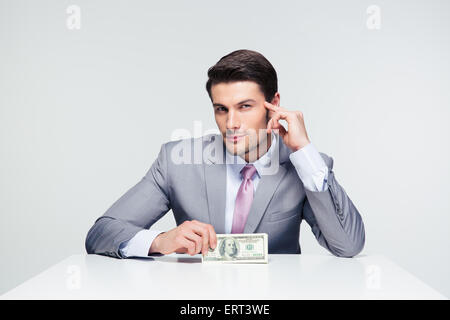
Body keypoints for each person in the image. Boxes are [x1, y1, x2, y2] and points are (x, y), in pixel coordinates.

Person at [85, 49, 365, 259]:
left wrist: (304, 151)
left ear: (274, 104)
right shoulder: (177, 161)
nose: (231, 123)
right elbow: (101, 234)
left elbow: (349, 245)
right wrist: (160, 241)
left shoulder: (304, 167)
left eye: (244, 106)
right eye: (221, 109)